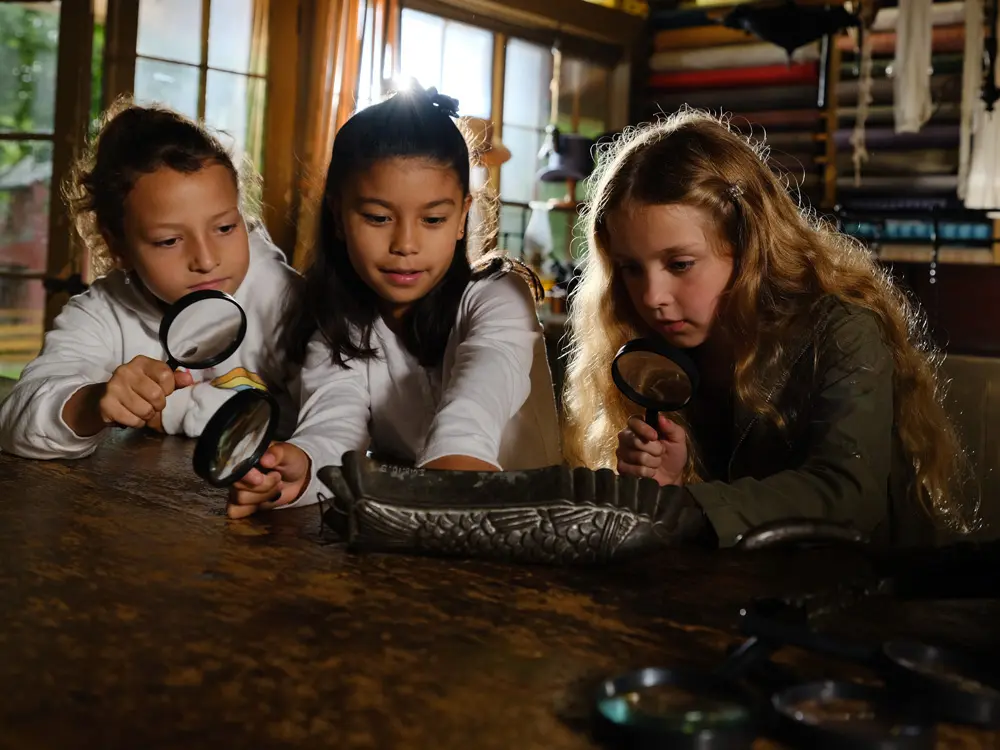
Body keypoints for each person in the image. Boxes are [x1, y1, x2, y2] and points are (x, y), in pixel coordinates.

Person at [562, 108, 975, 548]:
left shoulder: (843, 330)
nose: (652, 296)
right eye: (630, 268)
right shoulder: (652, 348)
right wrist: (674, 480)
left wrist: (691, 506)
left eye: (680, 264)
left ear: (747, 244)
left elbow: (850, 495)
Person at [227, 86, 563, 519]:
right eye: (378, 217)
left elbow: (477, 401)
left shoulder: (499, 297)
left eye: (434, 219)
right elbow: (333, 426)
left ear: (462, 217)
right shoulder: (340, 325)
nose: (405, 244)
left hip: (537, 530)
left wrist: (449, 468)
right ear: (338, 216)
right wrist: (303, 467)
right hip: (420, 533)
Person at [0, 99, 299, 459]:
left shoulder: (283, 294)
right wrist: (92, 402)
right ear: (118, 247)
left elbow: (343, 407)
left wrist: (181, 407)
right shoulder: (101, 313)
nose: (206, 260)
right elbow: (16, 422)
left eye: (224, 227)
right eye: (169, 241)